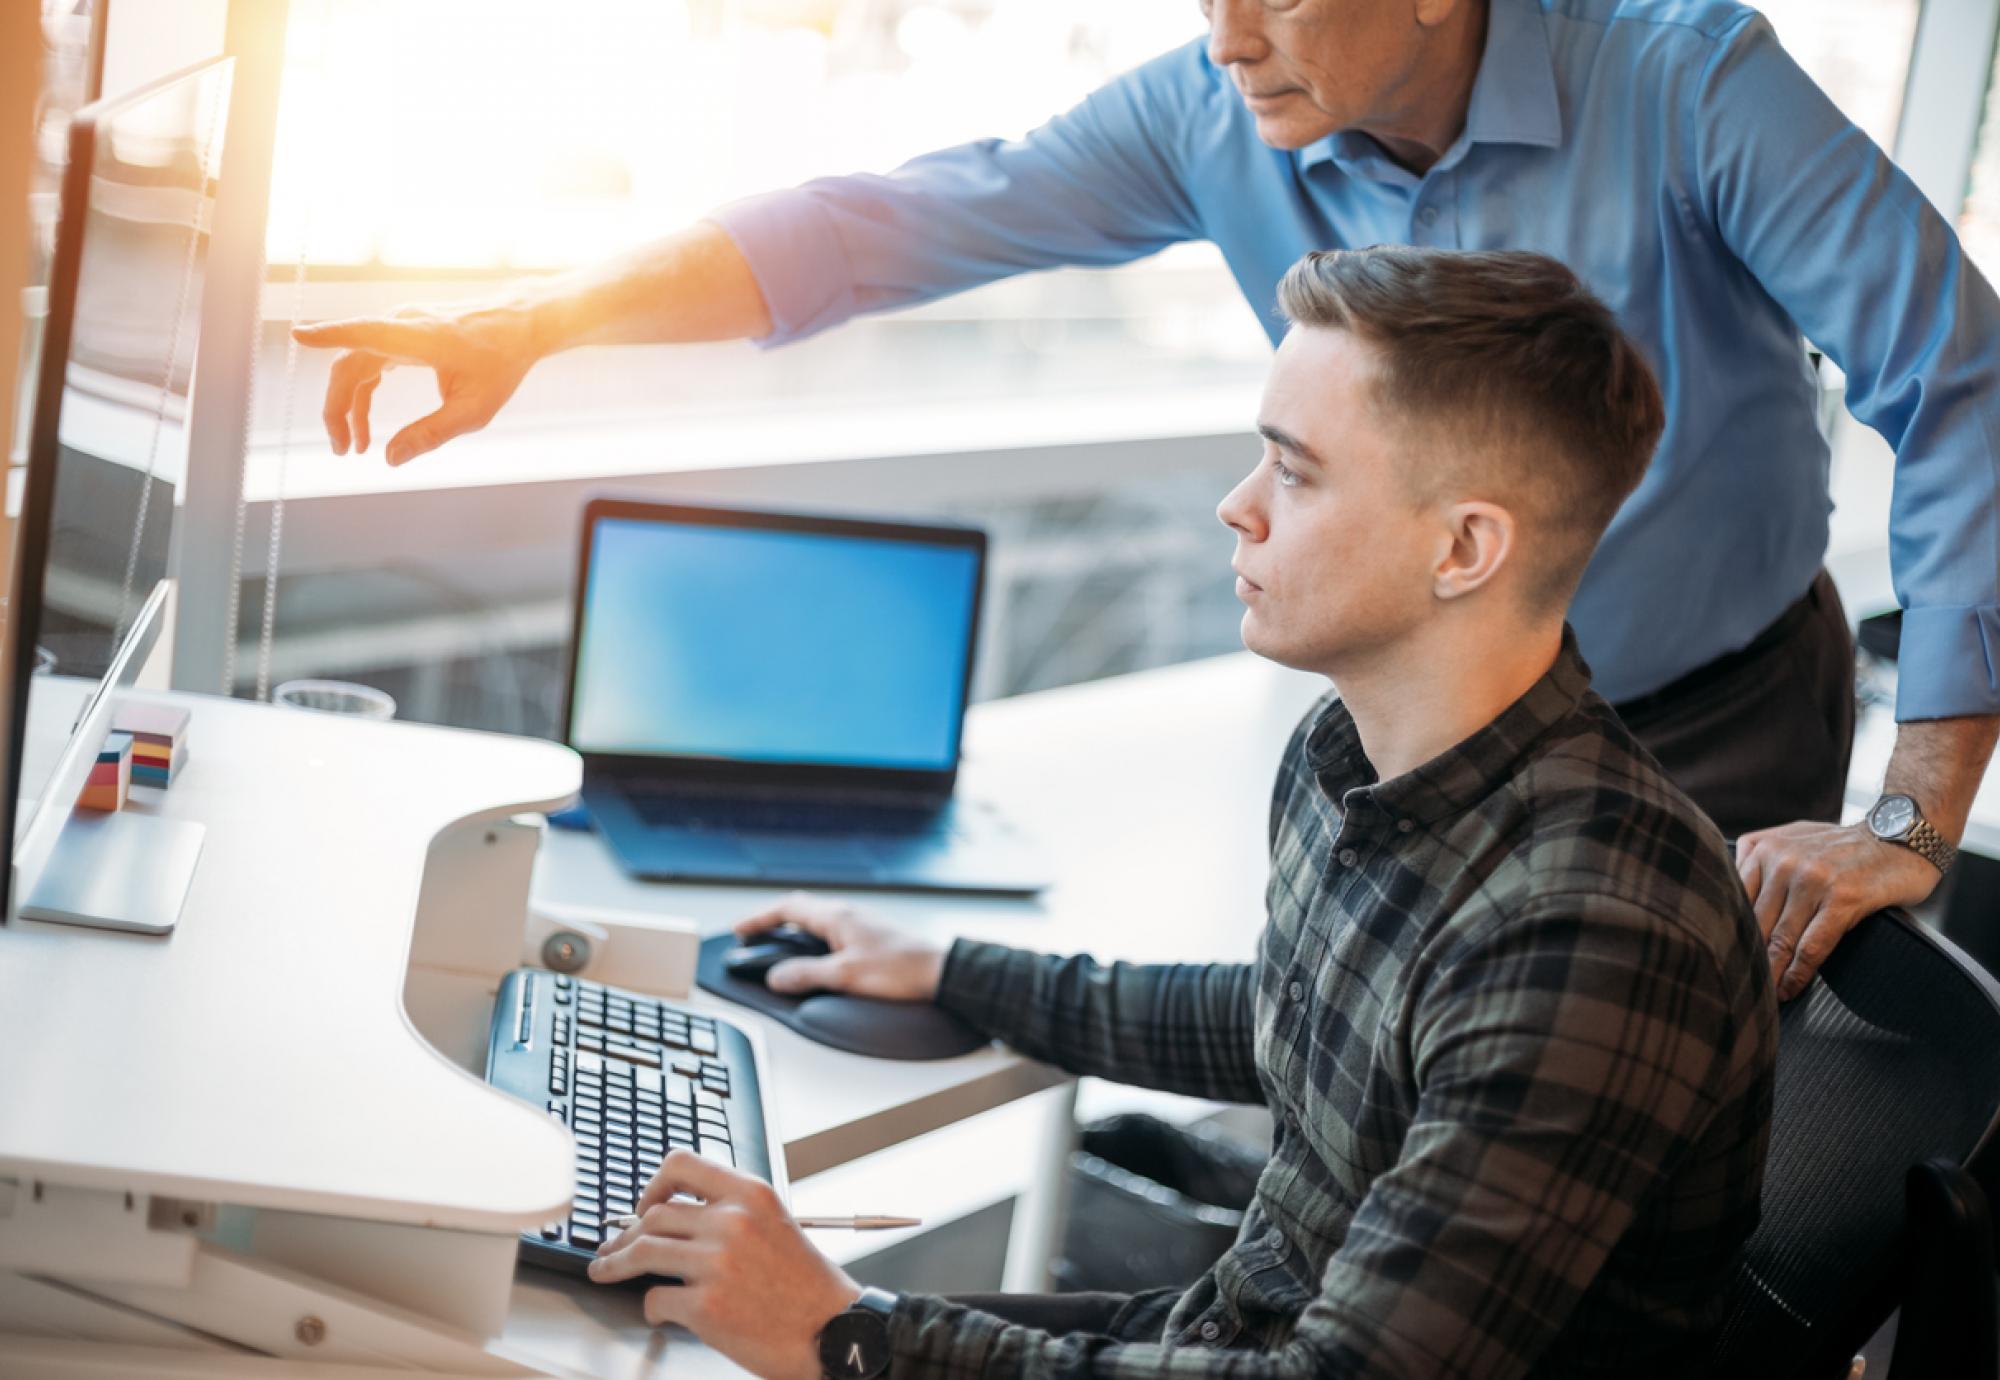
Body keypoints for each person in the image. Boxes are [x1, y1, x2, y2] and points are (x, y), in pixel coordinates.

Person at [294, 1, 2000, 1002]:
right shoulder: (1216, 111)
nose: (1225, 24)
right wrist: (540, 320)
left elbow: (1962, 379)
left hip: (1701, 719)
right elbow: (888, 222)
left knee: (1585, 1182)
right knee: (1346, 1089)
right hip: (1412, 726)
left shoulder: (1685, 74)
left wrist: (1912, 816)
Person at [580, 246, 1778, 1380]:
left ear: (1462, 547)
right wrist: (952, 968)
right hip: (1232, 1331)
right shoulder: (1346, 752)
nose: (1234, 507)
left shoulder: (1588, 932)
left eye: (1293, 471)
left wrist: (850, 1336)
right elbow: (1290, 1022)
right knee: (664, 1316)